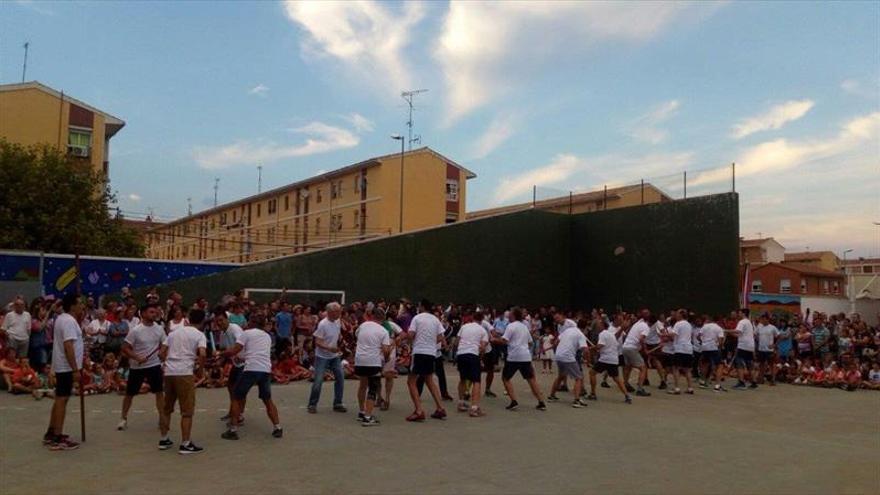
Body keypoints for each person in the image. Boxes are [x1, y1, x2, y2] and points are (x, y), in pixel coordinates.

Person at [221, 313, 283, 440]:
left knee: (236, 397)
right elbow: (257, 352)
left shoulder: (247, 333)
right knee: (267, 399)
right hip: (265, 370)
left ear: (252, 322)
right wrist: (242, 357)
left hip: (251, 369)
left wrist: (220, 354)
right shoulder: (267, 336)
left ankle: (233, 430)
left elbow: (233, 350)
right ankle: (277, 427)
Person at [158, 308, 207, 454]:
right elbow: (202, 354)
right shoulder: (199, 335)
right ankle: (185, 443)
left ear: (188, 318)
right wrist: (200, 369)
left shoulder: (174, 333)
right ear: (202, 321)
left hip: (169, 372)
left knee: (167, 408)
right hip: (185, 372)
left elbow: (161, 352)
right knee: (187, 410)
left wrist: (167, 363)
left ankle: (164, 439)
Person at [43, 293, 84, 450]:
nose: (82, 306)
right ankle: (58, 437)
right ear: (72, 305)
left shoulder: (62, 319)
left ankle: (51, 432)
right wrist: (75, 369)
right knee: (62, 400)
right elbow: (68, 346)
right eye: (79, 303)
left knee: (60, 399)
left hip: (62, 366)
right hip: (66, 367)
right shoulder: (68, 321)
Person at [118, 303, 167, 431]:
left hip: (154, 365)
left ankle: (162, 418)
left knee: (159, 392)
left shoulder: (159, 328)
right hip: (137, 367)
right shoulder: (136, 330)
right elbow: (124, 347)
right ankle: (123, 418)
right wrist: (136, 357)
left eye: (155, 312)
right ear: (143, 313)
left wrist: (162, 352)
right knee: (130, 394)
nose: (154, 314)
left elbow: (164, 343)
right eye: (151, 312)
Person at [405, 299, 447, 422]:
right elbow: (440, 337)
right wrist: (430, 343)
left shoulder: (417, 318)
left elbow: (411, 335)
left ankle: (418, 410)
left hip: (419, 352)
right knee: (429, 379)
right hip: (431, 353)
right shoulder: (435, 319)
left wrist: (408, 342)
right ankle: (440, 407)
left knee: (411, 381)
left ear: (422, 306)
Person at [498, 307, 547, 411]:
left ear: (514, 315)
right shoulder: (524, 327)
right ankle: (541, 401)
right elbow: (530, 342)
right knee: (531, 379)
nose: (508, 316)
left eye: (510, 314)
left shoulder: (511, 326)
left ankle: (513, 401)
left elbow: (504, 340)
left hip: (513, 357)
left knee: (505, 378)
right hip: (525, 356)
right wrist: (523, 347)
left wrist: (494, 339)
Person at [353, 307, 392, 426]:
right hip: (373, 361)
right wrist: (387, 358)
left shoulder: (363, 326)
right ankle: (368, 417)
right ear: (383, 318)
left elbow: (356, 335)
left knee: (362, 385)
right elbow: (386, 350)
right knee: (373, 388)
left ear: (372, 316)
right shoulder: (383, 331)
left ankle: (361, 411)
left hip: (360, 359)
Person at [307, 302, 347, 414]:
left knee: (340, 378)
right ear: (330, 312)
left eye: (340, 311)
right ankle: (312, 404)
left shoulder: (338, 321)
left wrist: (340, 339)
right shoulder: (323, 324)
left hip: (334, 356)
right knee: (318, 380)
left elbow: (338, 333)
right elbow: (317, 342)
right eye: (337, 311)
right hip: (322, 356)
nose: (339, 313)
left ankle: (338, 403)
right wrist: (329, 348)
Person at [547, 318, 590, 408]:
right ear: (585, 328)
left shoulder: (568, 330)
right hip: (568, 356)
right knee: (578, 377)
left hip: (559, 355)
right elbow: (585, 350)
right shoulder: (580, 334)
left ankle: (551, 396)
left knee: (561, 376)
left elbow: (556, 341)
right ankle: (577, 400)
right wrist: (588, 361)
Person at [587, 319, 632, 404]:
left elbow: (600, 345)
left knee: (592, 373)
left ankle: (593, 394)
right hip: (613, 359)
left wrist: (592, 348)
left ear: (603, 326)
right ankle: (627, 396)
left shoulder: (602, 334)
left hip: (605, 359)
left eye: (599, 324)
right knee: (617, 378)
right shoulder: (611, 335)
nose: (597, 326)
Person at [213, 308, 246, 424]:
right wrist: (219, 360)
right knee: (230, 386)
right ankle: (233, 411)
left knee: (239, 391)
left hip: (245, 363)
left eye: (221, 320)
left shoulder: (235, 328)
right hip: (236, 364)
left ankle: (239, 415)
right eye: (217, 321)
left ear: (227, 319)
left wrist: (221, 354)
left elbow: (239, 346)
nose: (219, 323)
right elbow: (224, 350)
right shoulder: (222, 334)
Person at [455, 309, 489, 417]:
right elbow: (483, 347)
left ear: (473, 318)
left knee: (463, 379)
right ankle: (474, 408)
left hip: (461, 354)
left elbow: (457, 341)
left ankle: (461, 403)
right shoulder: (483, 331)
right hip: (473, 355)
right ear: (482, 319)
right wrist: (481, 358)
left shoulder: (464, 326)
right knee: (476, 381)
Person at [621, 309, 652, 397]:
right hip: (632, 348)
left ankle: (626, 384)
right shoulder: (645, 326)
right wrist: (645, 349)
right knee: (643, 368)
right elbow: (641, 339)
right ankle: (640, 389)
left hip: (625, 347)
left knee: (628, 367)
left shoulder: (637, 324)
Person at [729, 308, 758, 390]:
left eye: (740, 313)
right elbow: (740, 334)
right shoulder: (750, 322)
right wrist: (731, 333)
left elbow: (737, 331)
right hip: (750, 346)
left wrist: (725, 330)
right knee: (749, 364)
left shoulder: (742, 322)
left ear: (744, 313)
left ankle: (741, 382)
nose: (738, 314)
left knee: (739, 363)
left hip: (743, 345)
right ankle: (754, 382)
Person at [667, 309, 695, 395]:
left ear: (681, 315)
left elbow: (673, 334)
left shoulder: (678, 324)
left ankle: (677, 388)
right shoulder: (689, 325)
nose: (676, 315)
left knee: (675, 368)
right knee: (687, 370)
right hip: (688, 349)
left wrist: (664, 334)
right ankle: (690, 387)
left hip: (680, 348)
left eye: (677, 314)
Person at [697, 315, 726, 391]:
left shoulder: (705, 326)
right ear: (718, 321)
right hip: (714, 348)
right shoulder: (719, 328)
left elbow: (698, 336)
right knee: (719, 365)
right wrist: (719, 347)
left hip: (705, 348)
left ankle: (702, 382)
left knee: (705, 364)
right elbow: (720, 340)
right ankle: (717, 385)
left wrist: (702, 342)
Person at [755, 314, 779, 385]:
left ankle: (773, 380)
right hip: (761, 349)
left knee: (772, 365)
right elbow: (755, 334)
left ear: (767, 319)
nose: (762, 320)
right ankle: (761, 379)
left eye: (764, 319)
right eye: (762, 319)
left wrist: (774, 345)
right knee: (761, 365)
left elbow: (779, 336)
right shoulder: (759, 326)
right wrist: (758, 340)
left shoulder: (772, 327)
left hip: (769, 350)